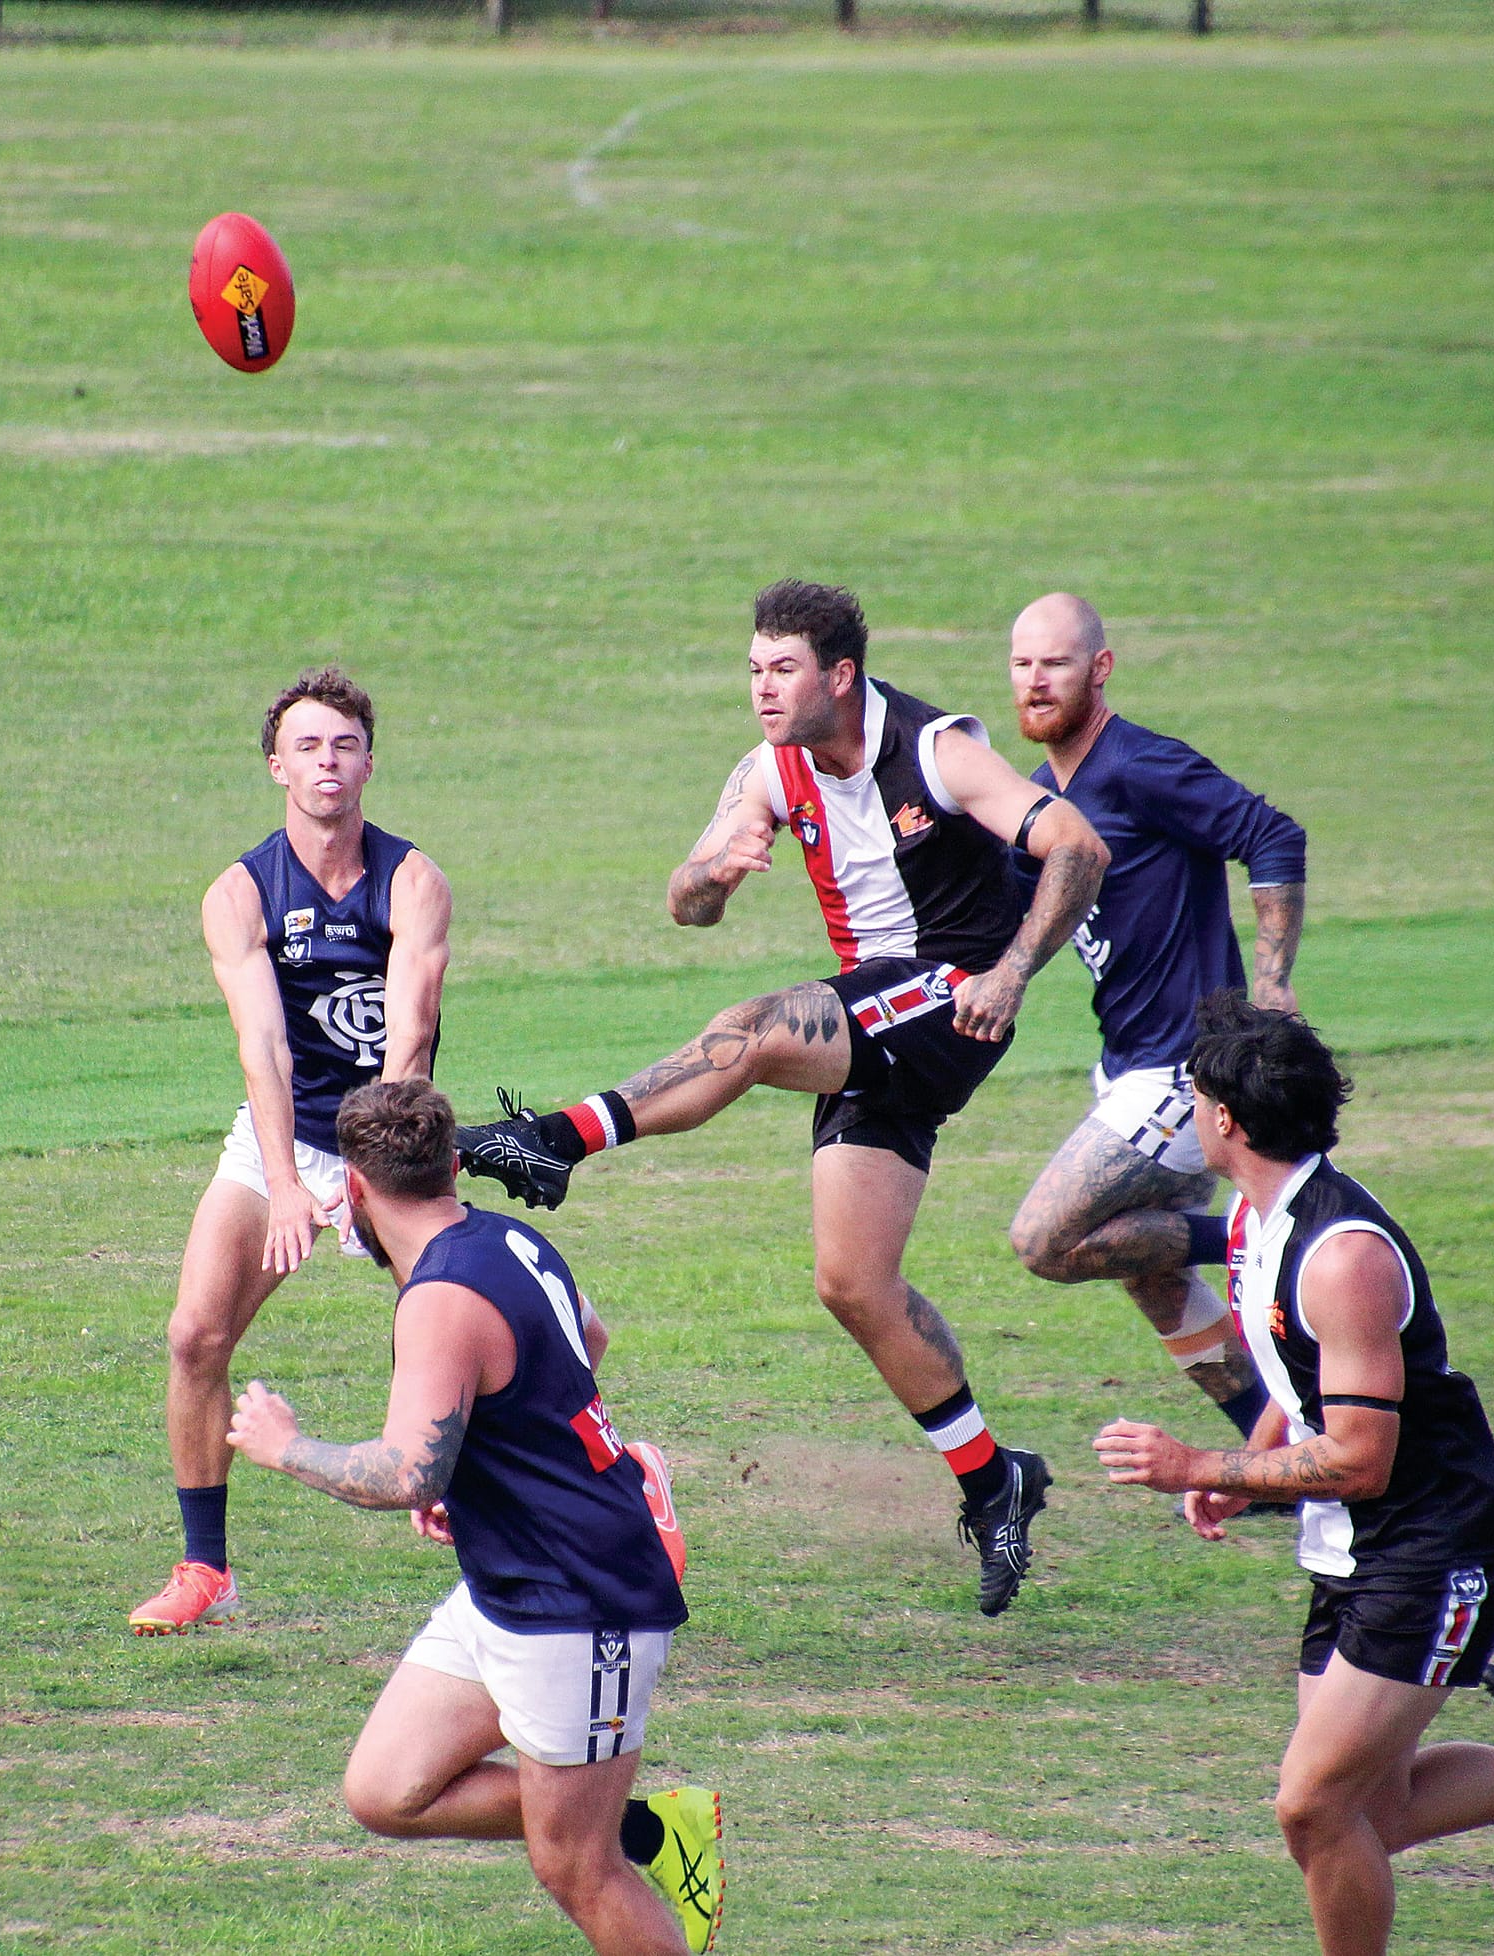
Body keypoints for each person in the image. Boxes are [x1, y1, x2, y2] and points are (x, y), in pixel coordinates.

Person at [457, 579, 1110, 1615]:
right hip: (878, 1023)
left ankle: (552, 1140)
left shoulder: (934, 751)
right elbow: (684, 900)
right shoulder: (768, 767)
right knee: (853, 1284)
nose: (762, 690)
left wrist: (1011, 973)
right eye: (753, 670)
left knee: (758, 1029)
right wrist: (711, 873)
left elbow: (1076, 846)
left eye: (783, 671)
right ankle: (995, 1481)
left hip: (948, 993)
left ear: (839, 676)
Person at [1093, 995, 1494, 1956]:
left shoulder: (1341, 1256)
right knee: (1367, 1815)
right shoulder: (1261, 1220)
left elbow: (1358, 1456)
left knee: (1313, 1810)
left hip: (1436, 1546)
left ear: (1226, 1118)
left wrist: (1196, 1461)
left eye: (1195, 1093)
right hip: (1358, 1548)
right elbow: (1289, 1371)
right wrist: (1251, 1465)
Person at [226, 1079, 725, 1956]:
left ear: (355, 1187)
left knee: (575, 1867)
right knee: (386, 1790)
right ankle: (637, 1821)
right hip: (506, 1588)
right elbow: (587, 1340)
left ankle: (606, 1828)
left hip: (583, 1603)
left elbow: (406, 1473)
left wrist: (284, 1447)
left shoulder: (440, 1297)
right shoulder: (507, 1237)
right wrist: (484, 1480)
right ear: (452, 1165)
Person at [128, 668, 452, 1635]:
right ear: (277, 765)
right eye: (308, 746)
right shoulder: (239, 892)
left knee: (465, 1340)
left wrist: (373, 1169)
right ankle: (204, 1569)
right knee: (195, 1336)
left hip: (393, 1142)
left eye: (345, 745)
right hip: (281, 1138)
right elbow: (261, 1047)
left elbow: (412, 1039)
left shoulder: (413, 880)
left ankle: (548, 1506)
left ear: (368, 763)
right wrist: (282, 1184)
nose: (328, 762)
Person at [1005, 593, 1307, 1438]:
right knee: (1150, 1265)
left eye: (1055, 663)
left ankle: (1256, 1233)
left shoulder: (1141, 766)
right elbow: (999, 913)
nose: (1036, 681)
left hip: (1188, 1066)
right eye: (1023, 664)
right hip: (1126, 1066)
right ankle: (1276, 1447)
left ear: (1098, 669)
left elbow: (1272, 834)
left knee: (1044, 1242)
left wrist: (1274, 985)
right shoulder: (1040, 798)